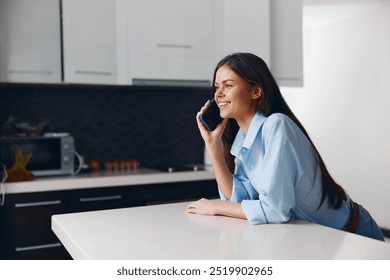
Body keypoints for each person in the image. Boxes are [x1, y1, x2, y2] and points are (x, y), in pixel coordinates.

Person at [186, 52, 385, 241]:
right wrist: (213, 146)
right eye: (216, 87)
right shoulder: (244, 140)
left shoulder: (276, 125)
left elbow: (274, 210)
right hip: (320, 238)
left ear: (256, 91)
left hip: (352, 233)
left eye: (228, 85)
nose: (218, 94)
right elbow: (237, 198)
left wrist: (215, 207)